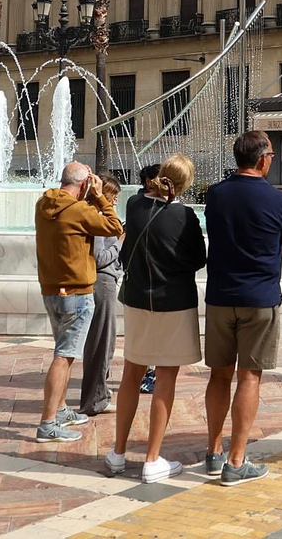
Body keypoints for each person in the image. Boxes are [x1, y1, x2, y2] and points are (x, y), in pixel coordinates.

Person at [203, 130, 282, 485]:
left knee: (218, 375)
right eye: (271, 154)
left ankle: (214, 452)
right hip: (259, 298)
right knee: (249, 376)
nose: (272, 159)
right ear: (261, 159)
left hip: (220, 296)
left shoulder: (216, 194)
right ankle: (236, 460)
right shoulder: (277, 199)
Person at [106, 155, 207, 481]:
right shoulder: (184, 216)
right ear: (184, 184)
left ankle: (118, 453)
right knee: (165, 378)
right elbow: (199, 259)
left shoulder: (135, 205)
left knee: (131, 374)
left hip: (137, 301)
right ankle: (152, 459)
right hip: (173, 302)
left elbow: (142, 201)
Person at [33, 161, 122, 444]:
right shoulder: (80, 210)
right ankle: (48, 423)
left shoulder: (43, 204)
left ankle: (60, 409)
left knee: (66, 352)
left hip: (51, 290)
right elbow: (115, 227)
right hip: (76, 293)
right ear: (84, 184)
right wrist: (99, 197)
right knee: (63, 357)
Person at [77, 173, 124, 418]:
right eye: (112, 196)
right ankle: (94, 400)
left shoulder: (93, 214)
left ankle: (99, 393)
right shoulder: (94, 217)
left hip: (105, 281)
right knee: (101, 341)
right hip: (102, 282)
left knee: (104, 341)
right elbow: (99, 257)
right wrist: (120, 243)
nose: (115, 201)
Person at [135, 163, 162, 396]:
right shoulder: (139, 204)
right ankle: (149, 372)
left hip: (147, 279)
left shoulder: (136, 203)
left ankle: (150, 370)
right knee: (149, 329)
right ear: (148, 181)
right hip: (148, 278)